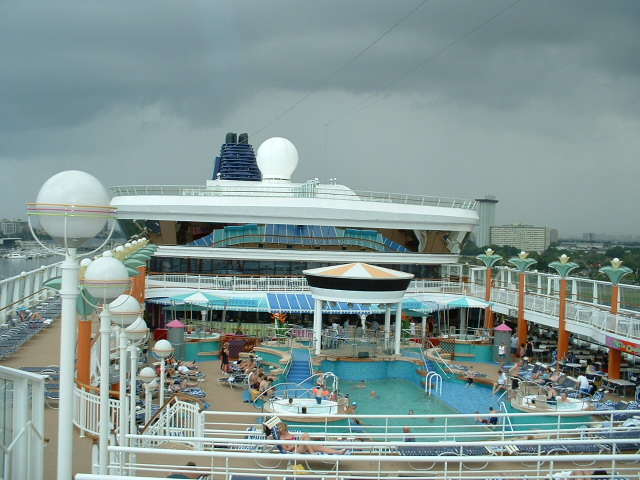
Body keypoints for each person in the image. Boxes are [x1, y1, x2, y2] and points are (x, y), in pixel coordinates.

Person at [276, 422, 347, 455]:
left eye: (286, 429)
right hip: (295, 450)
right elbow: (286, 449)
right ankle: (311, 452)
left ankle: (338, 452)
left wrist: (298, 442)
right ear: (281, 430)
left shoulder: (288, 434)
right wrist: (296, 444)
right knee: (305, 434)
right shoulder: (282, 438)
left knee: (321, 448)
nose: (287, 430)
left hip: (300, 446)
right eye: (285, 429)